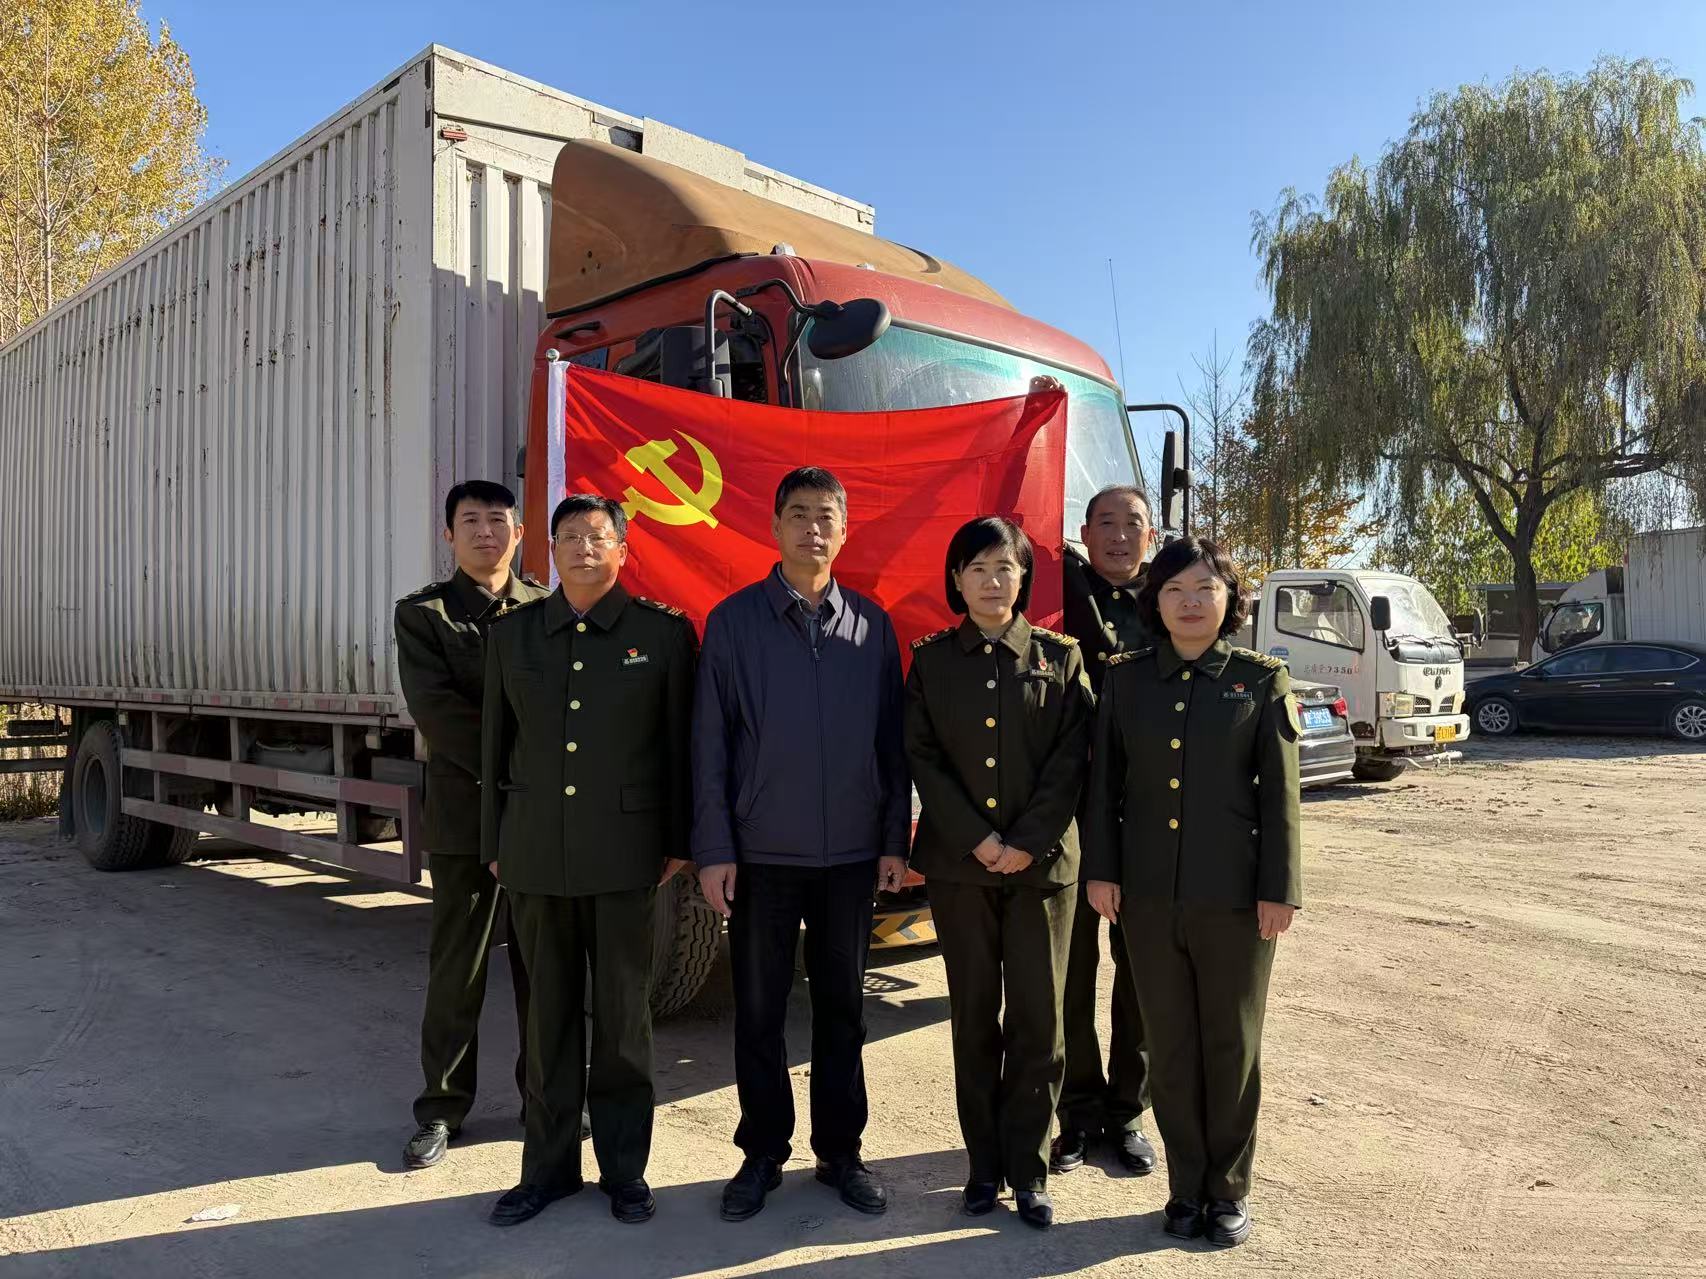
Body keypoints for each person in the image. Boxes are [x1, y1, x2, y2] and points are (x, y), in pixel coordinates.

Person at [692, 466, 909, 1223]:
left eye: (825, 515)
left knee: (843, 1010)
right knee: (759, 1010)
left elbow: (891, 744)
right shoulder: (733, 622)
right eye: (798, 514)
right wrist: (715, 848)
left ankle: (841, 1152)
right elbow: (710, 745)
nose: (812, 528)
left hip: (850, 855)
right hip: (762, 854)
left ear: (844, 530)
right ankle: (761, 1152)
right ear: (775, 526)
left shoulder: (871, 627)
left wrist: (892, 839)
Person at [481, 494, 697, 1227]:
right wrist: (493, 844)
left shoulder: (661, 634)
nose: (582, 547)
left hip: (625, 854)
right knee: (546, 1024)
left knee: (623, 1024)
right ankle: (547, 1171)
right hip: (535, 852)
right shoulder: (513, 635)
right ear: (549, 549)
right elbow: (493, 746)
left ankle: (625, 1172)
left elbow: (679, 746)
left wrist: (679, 840)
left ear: (623, 550)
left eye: (597, 536)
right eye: (569, 536)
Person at [1082, 535, 1302, 1249]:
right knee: (1171, 1046)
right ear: (1156, 600)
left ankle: (1228, 1188)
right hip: (1147, 895)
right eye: (1174, 588)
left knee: (1231, 1045)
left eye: (1205, 587)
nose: (1190, 602)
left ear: (1229, 599)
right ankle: (1185, 1187)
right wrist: (1102, 870)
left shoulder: (1261, 680)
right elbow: (1103, 787)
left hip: (1236, 897)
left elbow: (1280, 797)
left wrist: (1280, 888)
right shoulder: (1126, 679)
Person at [904, 517, 1094, 1229]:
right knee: (975, 1017)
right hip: (963, 868)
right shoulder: (932, 661)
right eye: (977, 568)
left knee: (1041, 1023)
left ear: (1023, 578)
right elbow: (923, 756)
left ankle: (1030, 1169)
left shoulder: (1060, 657)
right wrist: (980, 840)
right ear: (956, 580)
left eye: (1005, 568)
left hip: (1042, 870)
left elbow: (1072, 758)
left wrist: (1026, 841)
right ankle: (983, 1167)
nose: (991, 581)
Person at [396, 480, 548, 1171]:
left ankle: (544, 1100)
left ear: (519, 532)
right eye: (471, 520)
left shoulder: (546, 608)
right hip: (465, 817)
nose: (486, 531)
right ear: (448, 534)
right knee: (458, 967)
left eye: (498, 519)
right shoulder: (423, 614)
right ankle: (441, 1108)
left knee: (543, 966)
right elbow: (439, 712)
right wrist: (523, 763)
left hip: (540, 817)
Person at [1053, 484, 1159, 1176]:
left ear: (1152, 536)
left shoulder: (1170, 597)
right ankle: (1075, 1110)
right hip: (1068, 807)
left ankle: (1126, 1113)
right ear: (1084, 533)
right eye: (1107, 523)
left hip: (1143, 811)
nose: (1120, 535)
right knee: (1069, 968)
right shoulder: (1062, 589)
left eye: (1134, 524)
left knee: (1140, 968)